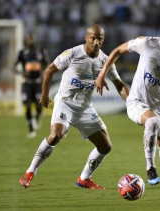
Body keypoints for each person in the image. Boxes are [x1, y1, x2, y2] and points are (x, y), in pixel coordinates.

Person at [18, 24, 129, 189]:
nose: (96, 42)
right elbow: (49, 71)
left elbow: (119, 85)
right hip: (65, 103)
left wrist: (131, 102)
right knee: (56, 135)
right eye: (93, 38)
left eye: (100, 39)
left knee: (106, 146)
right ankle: (29, 172)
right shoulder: (72, 53)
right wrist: (44, 95)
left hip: (85, 108)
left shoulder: (106, 61)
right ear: (86, 38)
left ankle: (84, 178)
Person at [96, 16, 160, 195]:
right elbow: (118, 51)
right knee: (152, 123)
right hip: (137, 102)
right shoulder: (147, 43)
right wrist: (102, 74)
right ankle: (150, 167)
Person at [14, 34, 48, 138]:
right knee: (27, 106)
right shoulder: (22, 53)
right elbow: (14, 67)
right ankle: (31, 130)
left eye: (32, 40)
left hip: (37, 82)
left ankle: (37, 118)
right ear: (26, 41)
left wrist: (43, 71)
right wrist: (22, 73)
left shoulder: (40, 52)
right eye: (29, 40)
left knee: (39, 104)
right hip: (27, 82)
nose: (31, 42)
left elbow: (46, 64)